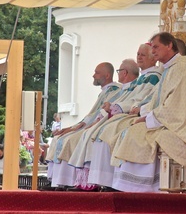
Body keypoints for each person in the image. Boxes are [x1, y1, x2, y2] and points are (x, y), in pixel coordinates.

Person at [106, 32, 186, 192]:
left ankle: (140, 188)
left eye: (156, 47)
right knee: (132, 130)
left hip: (184, 126)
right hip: (170, 120)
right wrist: (143, 112)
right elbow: (157, 99)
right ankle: (129, 186)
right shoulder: (170, 69)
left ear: (169, 45)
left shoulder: (181, 68)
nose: (153, 51)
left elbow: (175, 107)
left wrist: (147, 118)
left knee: (138, 133)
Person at [68, 44, 161, 191]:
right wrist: (112, 105)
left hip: (136, 113)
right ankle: (98, 181)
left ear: (153, 57)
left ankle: (108, 181)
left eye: (143, 54)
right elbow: (129, 96)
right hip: (127, 111)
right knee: (99, 133)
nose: (139, 57)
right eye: (138, 54)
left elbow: (143, 98)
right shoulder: (142, 78)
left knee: (107, 132)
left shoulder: (155, 76)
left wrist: (120, 107)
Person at [51, 59, 141, 189]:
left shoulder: (115, 90)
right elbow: (94, 113)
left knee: (75, 139)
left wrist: (83, 125)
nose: (93, 75)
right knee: (62, 139)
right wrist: (73, 127)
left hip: (115, 122)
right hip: (100, 122)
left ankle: (80, 183)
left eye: (97, 73)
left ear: (107, 75)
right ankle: (60, 182)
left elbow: (108, 111)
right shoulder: (114, 90)